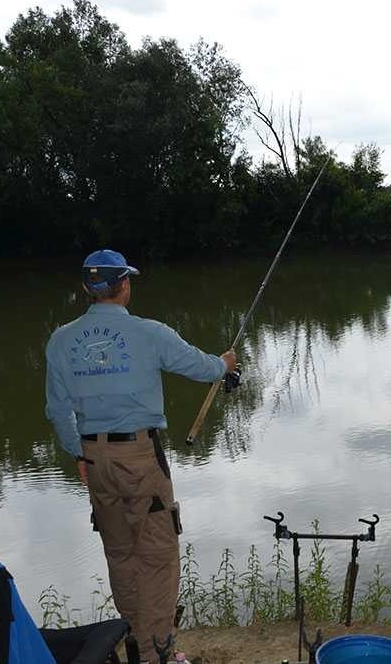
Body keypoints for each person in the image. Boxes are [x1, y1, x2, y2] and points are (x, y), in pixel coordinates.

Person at [45, 249, 236, 663]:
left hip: (93, 457)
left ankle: (135, 635)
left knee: (119, 551)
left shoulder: (59, 340)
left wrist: (78, 453)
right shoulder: (151, 334)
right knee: (157, 555)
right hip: (139, 456)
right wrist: (224, 364)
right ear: (125, 285)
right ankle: (160, 654)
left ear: (86, 288)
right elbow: (203, 369)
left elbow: (58, 411)